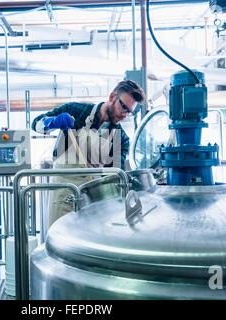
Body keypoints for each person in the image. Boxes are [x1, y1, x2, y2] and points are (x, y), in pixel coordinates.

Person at [31, 80, 145, 228]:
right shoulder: (76, 110)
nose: (124, 115)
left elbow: (112, 177)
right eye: (123, 107)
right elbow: (36, 123)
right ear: (112, 97)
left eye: (129, 111)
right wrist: (51, 122)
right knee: (59, 240)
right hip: (63, 194)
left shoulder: (121, 139)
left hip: (93, 201)